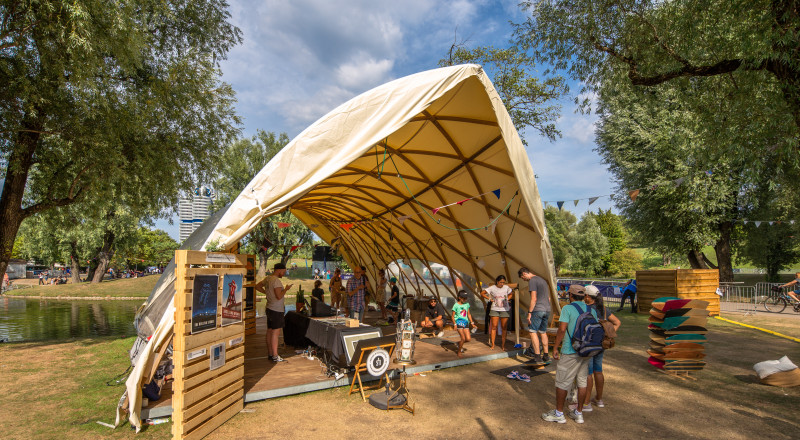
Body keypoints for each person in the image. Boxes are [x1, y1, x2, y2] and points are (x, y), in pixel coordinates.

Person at [542, 284, 597, 425]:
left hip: (570, 350)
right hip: (586, 351)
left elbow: (562, 329)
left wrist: (555, 348)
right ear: (584, 296)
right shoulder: (591, 309)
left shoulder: (567, 308)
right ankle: (578, 413)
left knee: (562, 382)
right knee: (582, 382)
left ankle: (559, 413)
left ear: (570, 295)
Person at [571, 285, 621, 413]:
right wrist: (606, 335)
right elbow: (617, 322)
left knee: (588, 373)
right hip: (601, 345)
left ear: (587, 296)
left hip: (589, 345)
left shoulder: (587, 309)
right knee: (598, 371)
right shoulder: (603, 309)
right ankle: (599, 399)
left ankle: (586, 402)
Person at [255, 263, 293, 362]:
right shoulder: (276, 281)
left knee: (270, 331)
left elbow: (257, 286)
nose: (283, 274)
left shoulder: (268, 278)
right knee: (275, 333)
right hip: (277, 309)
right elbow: (279, 296)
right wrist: (286, 289)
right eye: (283, 272)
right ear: (279, 270)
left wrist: (267, 293)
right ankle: (275, 355)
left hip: (269, 308)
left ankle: (271, 354)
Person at [518, 267, 552, 364]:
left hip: (538, 310)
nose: (524, 280)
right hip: (547, 309)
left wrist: (529, 313)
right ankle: (546, 356)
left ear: (524, 274)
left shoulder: (532, 281)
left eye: (522, 278)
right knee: (543, 332)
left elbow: (534, 298)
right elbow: (548, 298)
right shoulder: (542, 280)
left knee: (532, 332)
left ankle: (537, 357)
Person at [480, 275, 517, 350]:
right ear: (497, 281)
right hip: (495, 309)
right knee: (494, 326)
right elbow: (482, 293)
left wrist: (507, 299)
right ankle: (493, 344)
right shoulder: (492, 288)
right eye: (501, 282)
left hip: (504, 309)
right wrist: (489, 298)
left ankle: (503, 345)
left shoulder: (506, 288)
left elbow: (511, 294)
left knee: (504, 327)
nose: (502, 284)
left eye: (503, 282)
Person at [452, 290, 477, 357]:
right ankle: (459, 351)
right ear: (459, 297)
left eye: (466, 298)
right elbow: (452, 316)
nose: (465, 299)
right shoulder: (456, 305)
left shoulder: (466, 305)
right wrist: (454, 324)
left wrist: (472, 323)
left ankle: (458, 343)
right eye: (464, 298)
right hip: (458, 322)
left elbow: (469, 314)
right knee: (463, 338)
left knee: (468, 339)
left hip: (466, 323)